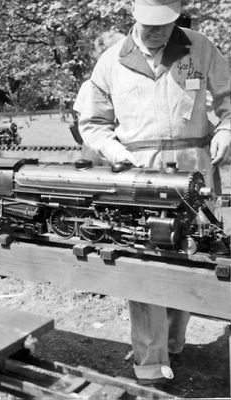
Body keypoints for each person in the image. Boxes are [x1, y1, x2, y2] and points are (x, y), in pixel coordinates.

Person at [74, 0, 230, 388]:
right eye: (148, 24)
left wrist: (226, 130)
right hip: (138, 175)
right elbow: (93, 122)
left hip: (195, 171)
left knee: (194, 255)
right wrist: (113, 150)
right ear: (134, 16)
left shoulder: (201, 47)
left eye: (164, 25)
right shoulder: (112, 60)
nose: (155, 32)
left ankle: (174, 341)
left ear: (177, 18)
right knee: (145, 264)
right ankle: (150, 362)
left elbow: (230, 101)